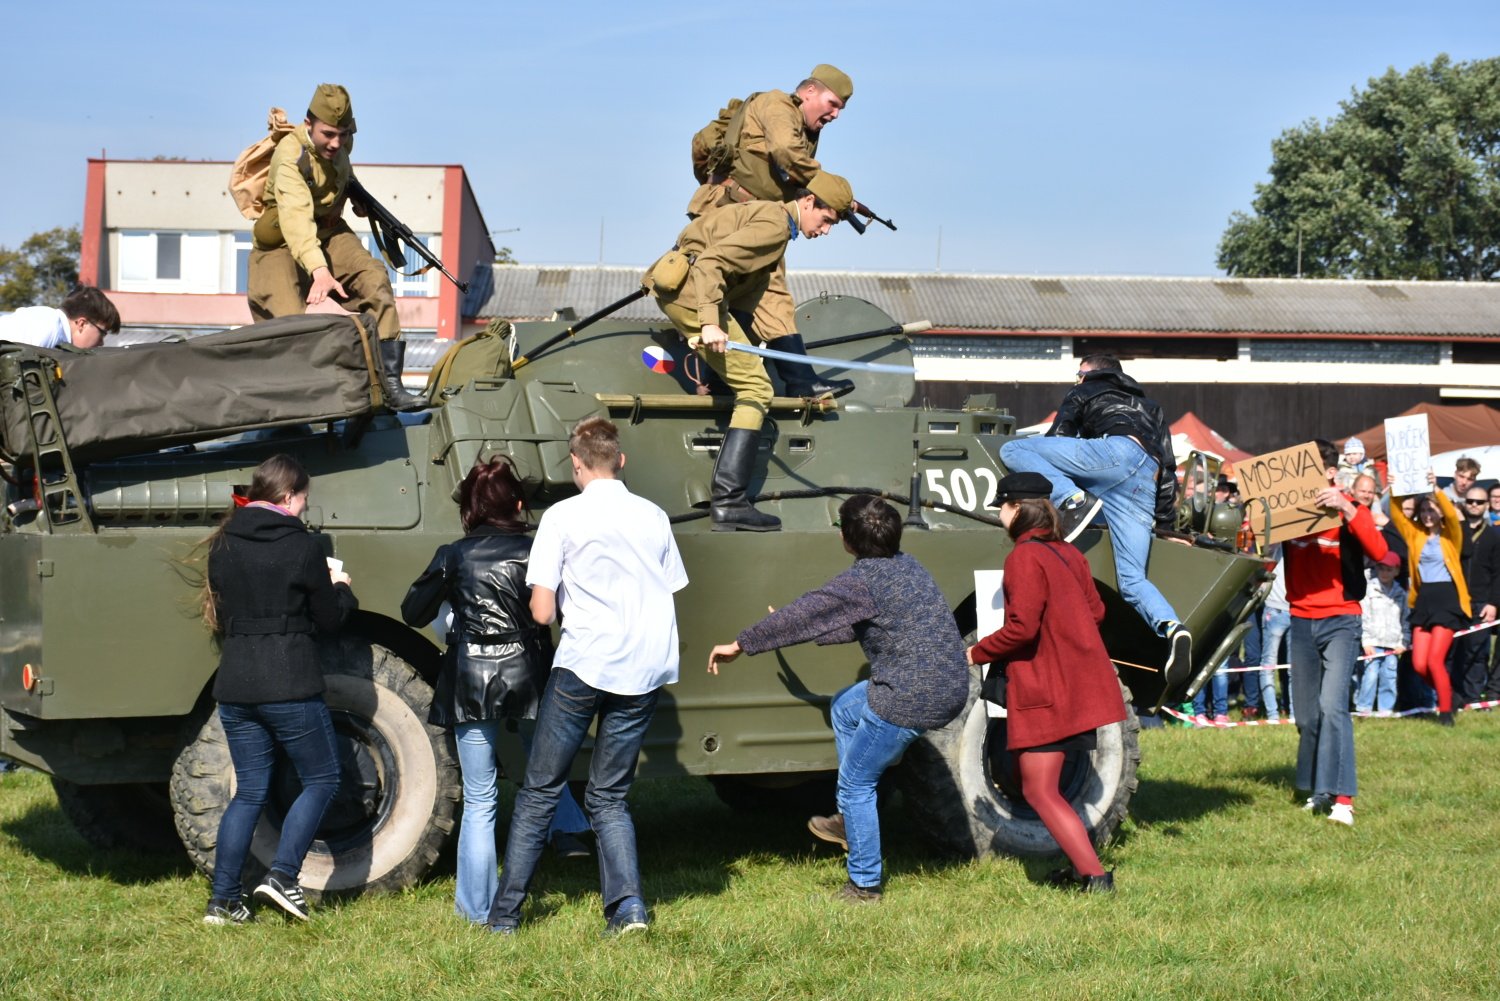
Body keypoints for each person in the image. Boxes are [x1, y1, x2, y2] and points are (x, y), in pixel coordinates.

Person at [705, 495, 967, 903]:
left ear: (847, 538)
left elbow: (809, 611)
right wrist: (797, 627)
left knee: (855, 782)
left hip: (912, 693)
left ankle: (864, 885)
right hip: (948, 684)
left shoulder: (863, 579)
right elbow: (865, 621)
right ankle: (852, 821)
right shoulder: (908, 566)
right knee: (845, 708)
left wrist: (743, 642)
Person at [487, 417, 688, 937]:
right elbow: (671, 585)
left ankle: (505, 917)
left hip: (586, 663)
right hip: (645, 666)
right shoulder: (654, 515)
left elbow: (542, 612)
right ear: (620, 460)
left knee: (540, 790)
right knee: (609, 796)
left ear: (576, 464)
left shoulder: (561, 516)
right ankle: (629, 911)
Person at [400, 458, 590, 925]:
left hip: (471, 681)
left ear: (469, 508)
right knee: (541, 775)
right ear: (519, 504)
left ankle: (476, 910)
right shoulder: (536, 549)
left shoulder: (454, 555)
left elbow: (412, 612)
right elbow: (565, 612)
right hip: (531, 675)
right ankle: (570, 829)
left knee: (481, 801)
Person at [647, 171, 857, 532]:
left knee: (747, 376)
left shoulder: (771, 218)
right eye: (825, 220)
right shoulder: (776, 224)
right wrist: (711, 322)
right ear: (808, 202)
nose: (825, 231)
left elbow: (747, 292)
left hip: (690, 289)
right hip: (695, 294)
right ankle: (729, 503)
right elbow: (712, 264)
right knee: (757, 389)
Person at [199, 454, 357, 924]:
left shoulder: (222, 543)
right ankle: (284, 877)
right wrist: (341, 586)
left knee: (249, 792)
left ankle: (224, 900)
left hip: (236, 684)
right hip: (289, 683)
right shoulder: (303, 547)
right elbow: (330, 621)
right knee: (323, 779)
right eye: (304, 499)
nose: (306, 508)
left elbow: (226, 615)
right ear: (288, 497)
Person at [966, 472, 1127, 891]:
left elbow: (1021, 628)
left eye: (1001, 506)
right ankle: (1084, 871)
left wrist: (975, 652)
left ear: (1017, 509)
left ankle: (1094, 878)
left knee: (1038, 790)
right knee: (1042, 787)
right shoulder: (1070, 554)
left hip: (1045, 690)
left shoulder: (1023, 557)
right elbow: (1096, 613)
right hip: (1075, 687)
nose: (999, 514)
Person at [998, 354, 1191, 685]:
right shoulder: (1152, 407)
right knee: (1132, 581)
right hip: (1145, 475)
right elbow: (1169, 470)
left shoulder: (1084, 390)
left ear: (1089, 373)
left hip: (1111, 453)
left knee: (1014, 451)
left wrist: (1058, 491)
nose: (1076, 378)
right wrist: (1168, 527)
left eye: (1078, 373)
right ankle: (1172, 627)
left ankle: (1072, 499)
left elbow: (1061, 436)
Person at [687, 65, 858, 398]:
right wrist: (833, 190)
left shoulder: (806, 131)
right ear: (809, 92)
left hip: (758, 217)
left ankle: (717, 381)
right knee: (767, 292)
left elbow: (790, 180)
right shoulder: (778, 105)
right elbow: (784, 152)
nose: (835, 115)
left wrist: (838, 200)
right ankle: (800, 380)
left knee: (759, 295)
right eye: (832, 103)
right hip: (731, 213)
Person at [247, 83, 419, 409]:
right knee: (288, 324)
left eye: (344, 134)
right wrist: (320, 271)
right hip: (280, 245)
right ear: (308, 124)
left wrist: (355, 196)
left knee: (374, 279)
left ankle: (389, 386)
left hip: (330, 233)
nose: (336, 143)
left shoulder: (342, 143)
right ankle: (286, 407)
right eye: (328, 134)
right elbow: (296, 220)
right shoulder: (290, 157)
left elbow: (341, 175)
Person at [1283, 439, 1387, 827]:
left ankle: (1343, 799)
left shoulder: (1349, 509)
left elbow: (1379, 550)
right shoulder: (1290, 509)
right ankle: (1317, 790)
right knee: (1308, 716)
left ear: (1329, 471)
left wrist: (1346, 507)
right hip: (1299, 618)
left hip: (1341, 620)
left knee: (1333, 708)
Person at [1388, 475, 1469, 726]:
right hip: (1423, 600)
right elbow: (1397, 515)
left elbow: (1453, 517)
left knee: (1436, 660)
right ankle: (1452, 696)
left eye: (1431, 509)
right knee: (1420, 663)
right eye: (1423, 510)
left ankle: (1445, 713)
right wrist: (1395, 489)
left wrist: (1435, 490)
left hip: (1447, 600)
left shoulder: (1450, 536)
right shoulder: (1415, 535)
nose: (1427, 514)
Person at [1450, 486, 1493, 705]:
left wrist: (1494, 603)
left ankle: (1473, 697)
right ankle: (1454, 695)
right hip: (1455, 601)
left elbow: (1498, 572)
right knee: (1454, 652)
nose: (1474, 505)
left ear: (1487, 505)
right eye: (1470, 501)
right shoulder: (1456, 531)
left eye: (1479, 502)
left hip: (1481, 602)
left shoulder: (1493, 535)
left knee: (1477, 652)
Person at [1357, 551, 1409, 715]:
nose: (1384, 573)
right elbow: (1363, 616)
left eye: (1389, 570)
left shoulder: (1401, 594)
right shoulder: (1369, 590)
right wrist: (1366, 641)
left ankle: (1386, 708)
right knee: (1370, 675)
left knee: (1389, 675)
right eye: (1381, 569)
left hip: (1392, 644)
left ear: (1396, 571)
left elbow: (1405, 619)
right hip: (1373, 642)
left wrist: (1403, 642)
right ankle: (1364, 707)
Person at [0, 285, 120, 349]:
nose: (101, 343)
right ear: (82, 324)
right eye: (102, 333)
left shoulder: (50, 324)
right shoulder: (48, 329)